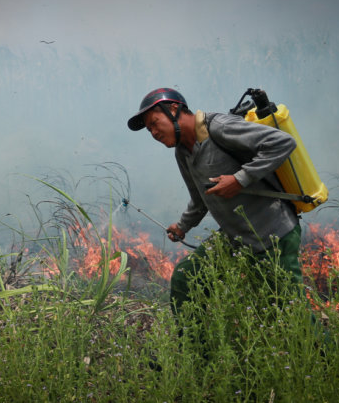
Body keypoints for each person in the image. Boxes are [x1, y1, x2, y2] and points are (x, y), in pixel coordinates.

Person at [127, 88, 303, 314]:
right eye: (149, 129)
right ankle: (195, 348)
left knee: (291, 313)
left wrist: (240, 180)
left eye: (154, 122)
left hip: (273, 235)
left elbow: (282, 142)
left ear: (173, 109)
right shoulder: (182, 152)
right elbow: (199, 198)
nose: (153, 132)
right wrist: (183, 226)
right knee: (187, 279)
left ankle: (319, 347)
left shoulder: (219, 126)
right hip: (235, 239)